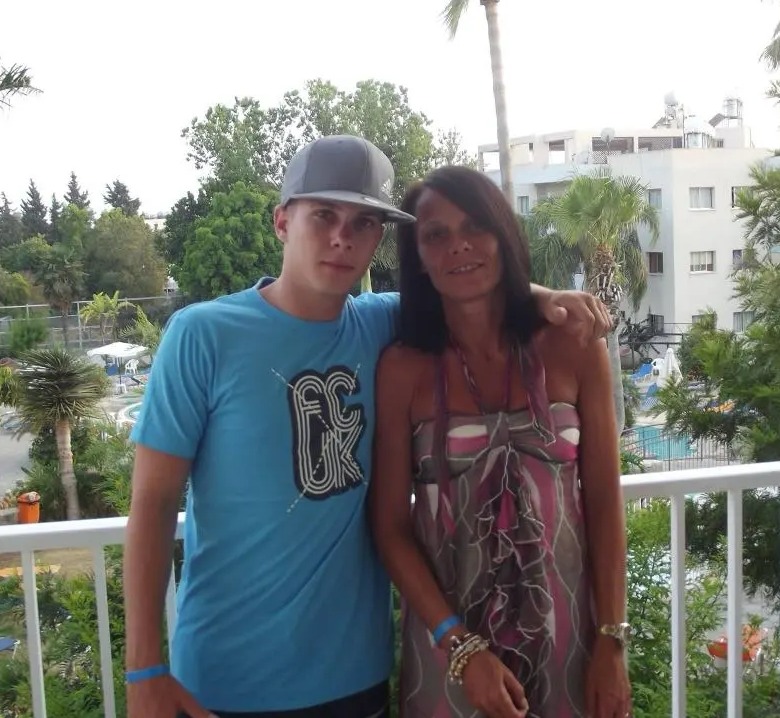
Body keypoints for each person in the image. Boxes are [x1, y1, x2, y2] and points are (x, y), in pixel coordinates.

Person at [123, 135, 613, 718]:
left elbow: (466, 282)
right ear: (282, 221)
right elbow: (153, 503)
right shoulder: (202, 335)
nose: (342, 237)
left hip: (355, 676)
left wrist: (549, 296)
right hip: (226, 680)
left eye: (363, 222)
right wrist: (144, 669)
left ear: (380, 239)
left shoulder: (381, 324)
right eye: (323, 215)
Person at [370, 166, 630, 718]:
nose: (459, 245)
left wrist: (612, 640)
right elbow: (390, 527)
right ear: (417, 256)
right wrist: (459, 645)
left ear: (503, 234)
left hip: (570, 638)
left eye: (476, 226)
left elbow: (606, 503)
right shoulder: (402, 369)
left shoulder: (573, 346)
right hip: (450, 650)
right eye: (435, 234)